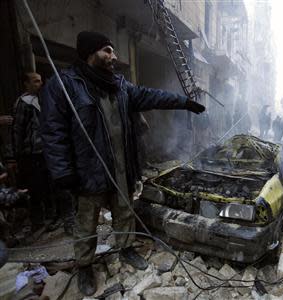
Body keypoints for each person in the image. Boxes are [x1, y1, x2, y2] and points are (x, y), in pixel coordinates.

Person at [40, 31, 205, 296]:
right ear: (90, 52)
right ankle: (84, 265)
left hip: (121, 166)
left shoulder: (120, 86)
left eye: (113, 51)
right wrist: (63, 173)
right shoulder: (64, 86)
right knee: (86, 222)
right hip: (87, 171)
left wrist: (184, 102)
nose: (114, 56)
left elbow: (152, 96)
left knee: (124, 210)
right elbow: (52, 133)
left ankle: (126, 248)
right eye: (107, 50)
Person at [12, 72, 56, 232]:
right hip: (30, 154)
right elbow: (18, 130)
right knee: (35, 188)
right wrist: (17, 155)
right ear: (27, 84)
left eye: (40, 81)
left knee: (49, 185)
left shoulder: (41, 101)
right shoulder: (23, 103)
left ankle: (51, 217)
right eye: (36, 81)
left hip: (44, 151)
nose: (40, 84)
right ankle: (38, 221)